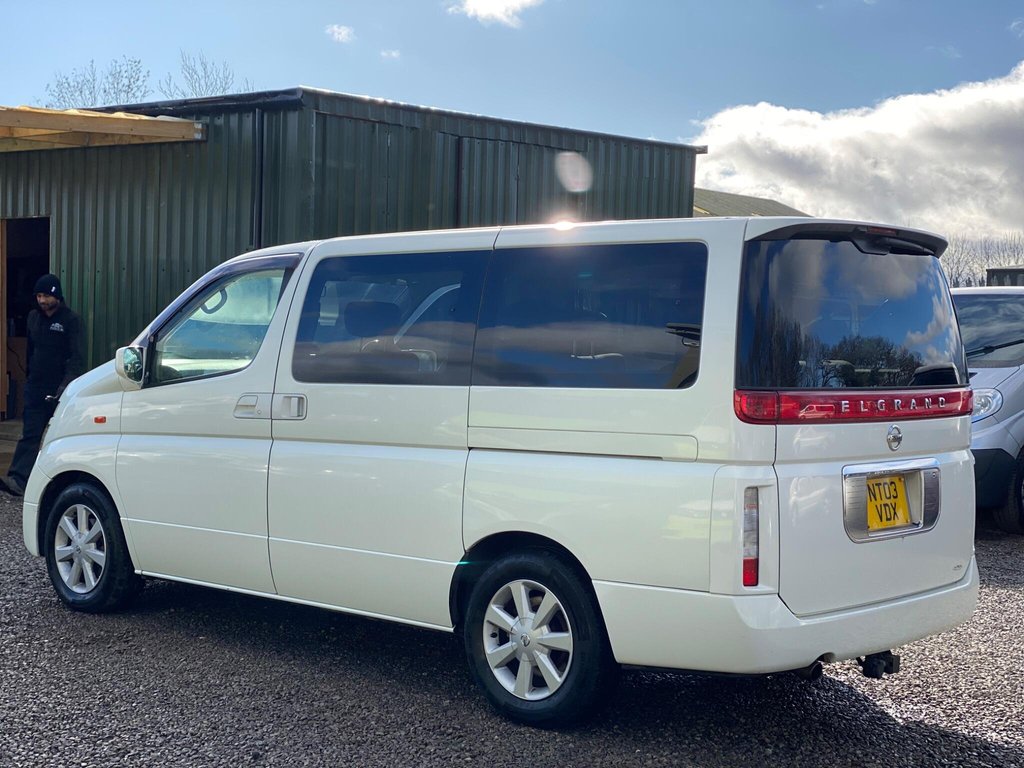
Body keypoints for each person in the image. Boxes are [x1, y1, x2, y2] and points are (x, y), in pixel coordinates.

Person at [0, 274, 84, 497]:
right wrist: (29, 376)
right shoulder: (33, 318)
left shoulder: (70, 320)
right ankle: (18, 479)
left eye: (46, 295)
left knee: (60, 437)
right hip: (35, 386)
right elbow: (31, 351)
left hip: (59, 388)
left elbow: (76, 357)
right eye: (39, 295)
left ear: (56, 295)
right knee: (30, 433)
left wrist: (66, 386)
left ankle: (61, 482)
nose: (42, 300)